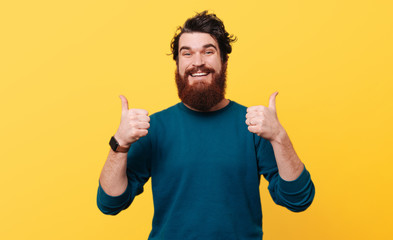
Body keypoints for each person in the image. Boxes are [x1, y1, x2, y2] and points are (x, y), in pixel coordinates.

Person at [97, 11, 315, 240]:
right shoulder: (154, 128)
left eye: (208, 51)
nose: (198, 62)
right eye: (187, 53)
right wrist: (119, 143)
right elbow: (110, 202)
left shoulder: (254, 125)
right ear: (178, 64)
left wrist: (279, 136)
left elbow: (298, 200)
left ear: (223, 61)